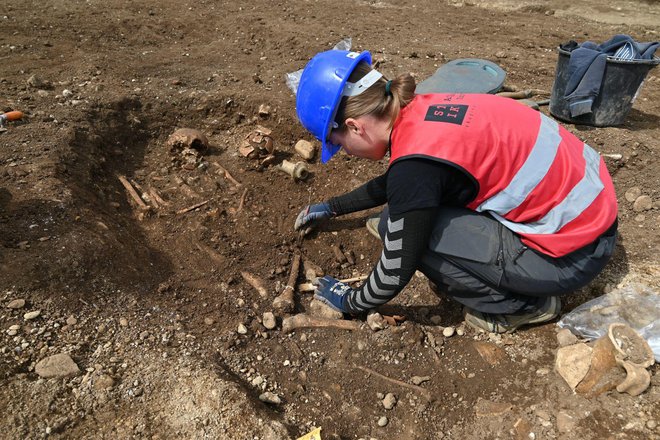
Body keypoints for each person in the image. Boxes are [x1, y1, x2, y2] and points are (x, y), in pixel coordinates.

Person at [293, 49, 618, 333]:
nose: (345, 152)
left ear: (353, 126)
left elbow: (395, 272)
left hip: (573, 257)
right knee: (402, 217)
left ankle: (522, 306)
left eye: (338, 144)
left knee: (404, 232)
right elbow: (403, 181)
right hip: (591, 214)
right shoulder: (423, 108)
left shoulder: (415, 169)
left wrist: (350, 300)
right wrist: (334, 206)